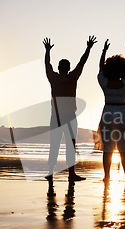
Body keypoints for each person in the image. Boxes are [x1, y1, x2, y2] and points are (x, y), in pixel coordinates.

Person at [43, 36, 97, 181]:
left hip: (56, 117)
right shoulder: (72, 77)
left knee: (54, 145)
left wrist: (47, 51)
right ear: (68, 68)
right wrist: (88, 48)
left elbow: (47, 64)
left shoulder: (53, 78)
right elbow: (82, 63)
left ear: (59, 68)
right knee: (70, 146)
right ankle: (71, 174)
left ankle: (50, 172)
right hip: (68, 117)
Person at [95, 38, 125, 183]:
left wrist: (103, 52)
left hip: (107, 113)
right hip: (123, 113)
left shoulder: (104, 83)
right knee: (123, 149)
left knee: (108, 148)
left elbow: (100, 69)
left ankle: (107, 176)